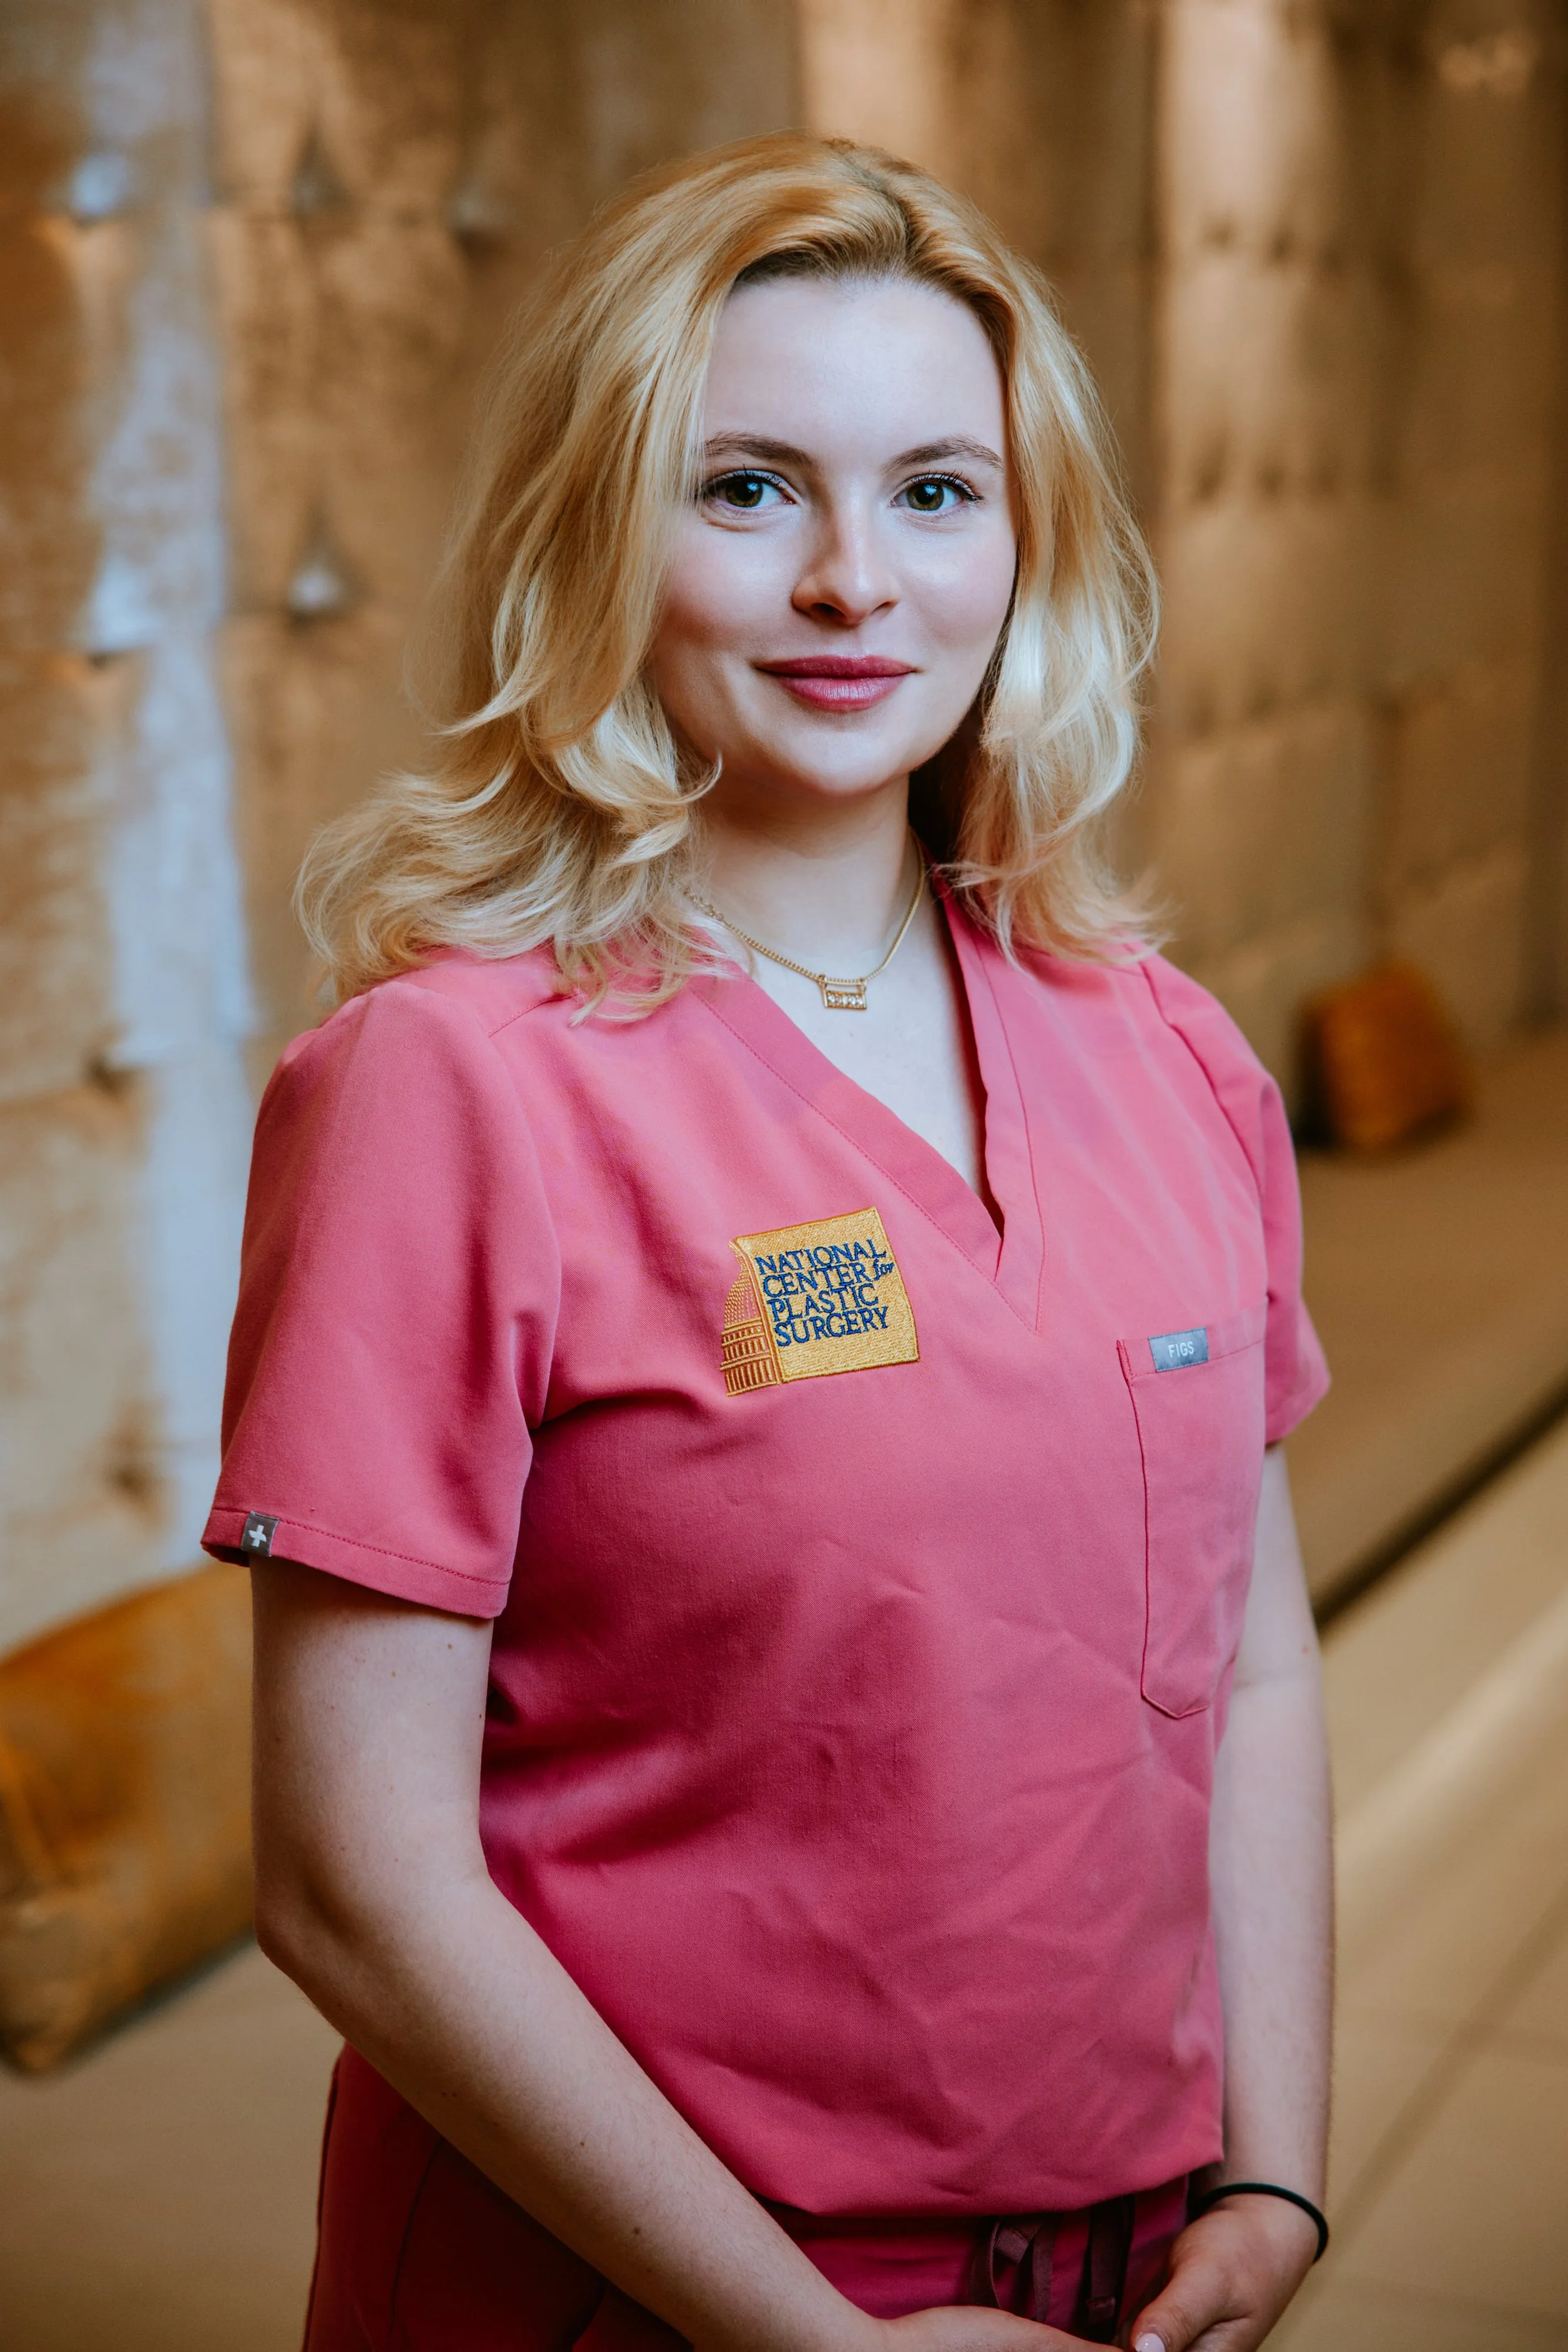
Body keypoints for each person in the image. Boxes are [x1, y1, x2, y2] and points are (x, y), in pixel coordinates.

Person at [206, 133, 1333, 2352]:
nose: (853, 580)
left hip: (1121, 2269)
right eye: (748, 489)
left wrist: (1277, 2167)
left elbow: (1256, 1658)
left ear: (1029, 547)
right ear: (607, 536)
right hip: (635, 2290)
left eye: (935, 490)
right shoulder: (454, 1089)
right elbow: (351, 1881)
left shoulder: (1167, 1053)